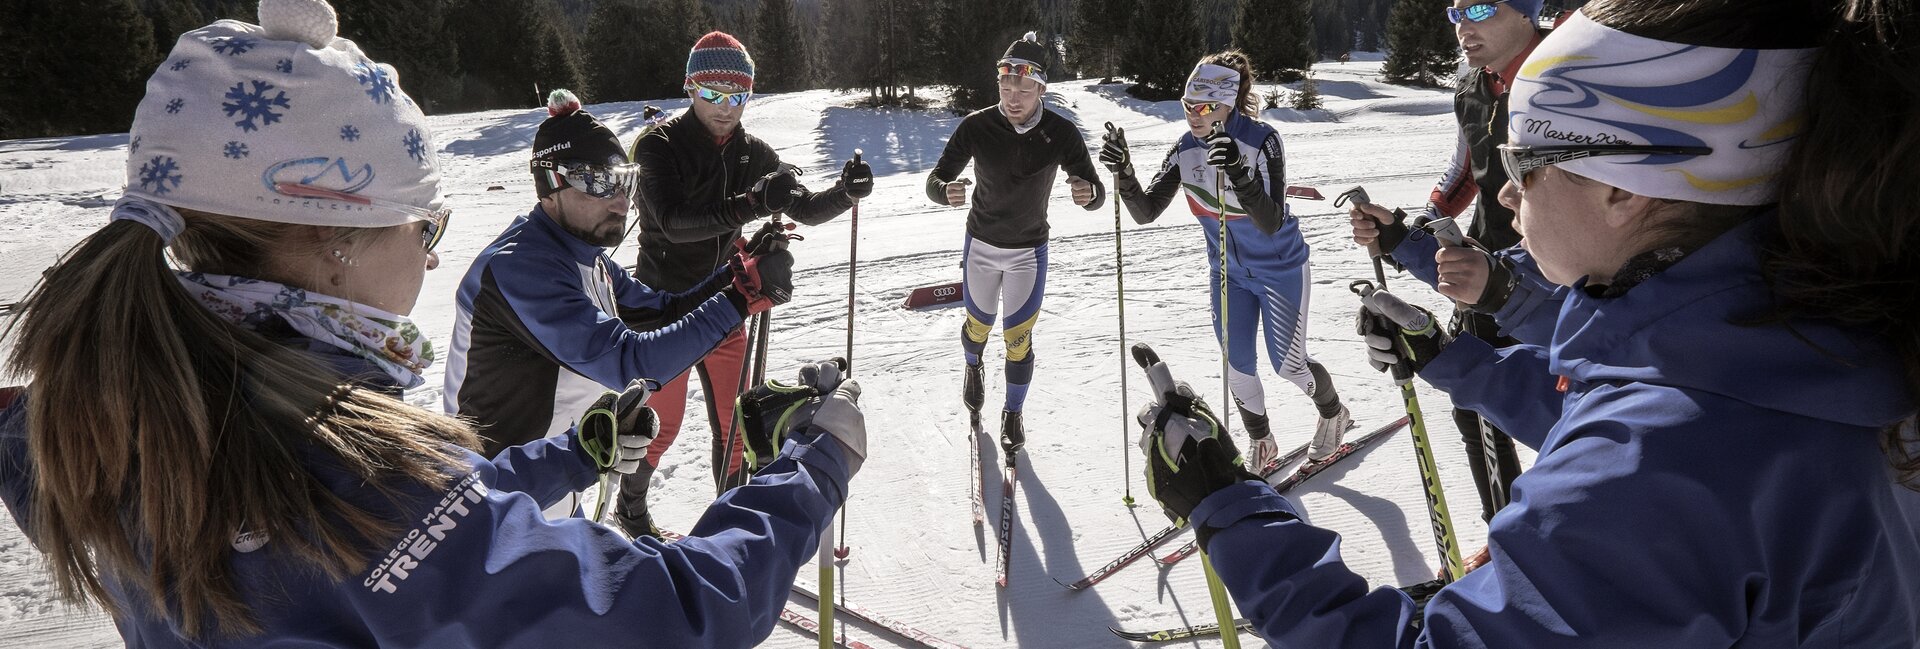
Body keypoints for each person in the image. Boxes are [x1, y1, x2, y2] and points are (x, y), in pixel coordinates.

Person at [0, 2, 868, 645]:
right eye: (424, 226)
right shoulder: (355, 465)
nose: (429, 254)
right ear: (333, 238)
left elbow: (454, 513)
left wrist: (576, 450)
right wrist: (813, 466)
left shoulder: (120, 394)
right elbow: (665, 615)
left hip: (505, 459)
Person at [1134, 0, 1920, 645]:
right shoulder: (1802, 324)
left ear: (1626, 188)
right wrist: (1449, 359)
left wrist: (1230, 507)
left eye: (1525, 165)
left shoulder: (1662, 467)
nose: (1506, 198)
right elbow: (1629, 415)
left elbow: (1653, 460)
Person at [444, 89, 791, 523]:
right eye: (600, 182)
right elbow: (632, 362)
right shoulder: (522, 268)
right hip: (491, 504)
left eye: (626, 181)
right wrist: (740, 300)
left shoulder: (587, 257)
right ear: (551, 184)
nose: (622, 200)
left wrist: (737, 273)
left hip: (547, 488)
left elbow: (664, 311)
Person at [621, 31, 871, 539]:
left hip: (724, 307)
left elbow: (801, 206)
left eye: (738, 95)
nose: (725, 107)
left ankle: (726, 528)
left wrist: (844, 193)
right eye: (713, 93)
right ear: (691, 88)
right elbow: (672, 221)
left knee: (735, 431)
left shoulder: (753, 151)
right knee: (660, 428)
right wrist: (751, 204)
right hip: (661, 311)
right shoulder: (658, 145)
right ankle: (630, 511)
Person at [1346, 0, 1552, 533]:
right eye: (1454, 11)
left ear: (1529, 11)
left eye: (1479, 8)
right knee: (1478, 406)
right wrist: (1410, 228)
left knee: (1559, 405)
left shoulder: (1567, 74)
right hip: (1487, 262)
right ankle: (1506, 532)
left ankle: (1564, 527)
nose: (1462, 24)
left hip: (1561, 270)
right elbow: (1467, 171)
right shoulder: (1472, 85)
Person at [1101, 51, 1351, 471]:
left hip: (1280, 267)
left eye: (1204, 107)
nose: (1193, 116)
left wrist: (1237, 171)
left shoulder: (1262, 141)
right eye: (1186, 106)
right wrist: (1124, 171)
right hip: (1229, 274)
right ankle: (1262, 440)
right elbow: (1145, 212)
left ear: (1228, 104)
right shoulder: (1184, 149)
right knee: (1237, 366)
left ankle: (1333, 413)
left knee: (1288, 365)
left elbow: (1271, 220)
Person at [925, 32, 1105, 453]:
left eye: (1023, 89)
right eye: (1006, 88)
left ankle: (1013, 412)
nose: (1013, 97)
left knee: (1017, 340)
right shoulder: (977, 125)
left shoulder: (1061, 132)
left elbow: (1093, 188)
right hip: (981, 247)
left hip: (1029, 252)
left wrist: (1088, 194)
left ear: (1041, 88)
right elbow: (936, 179)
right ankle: (973, 366)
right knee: (977, 327)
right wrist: (944, 190)